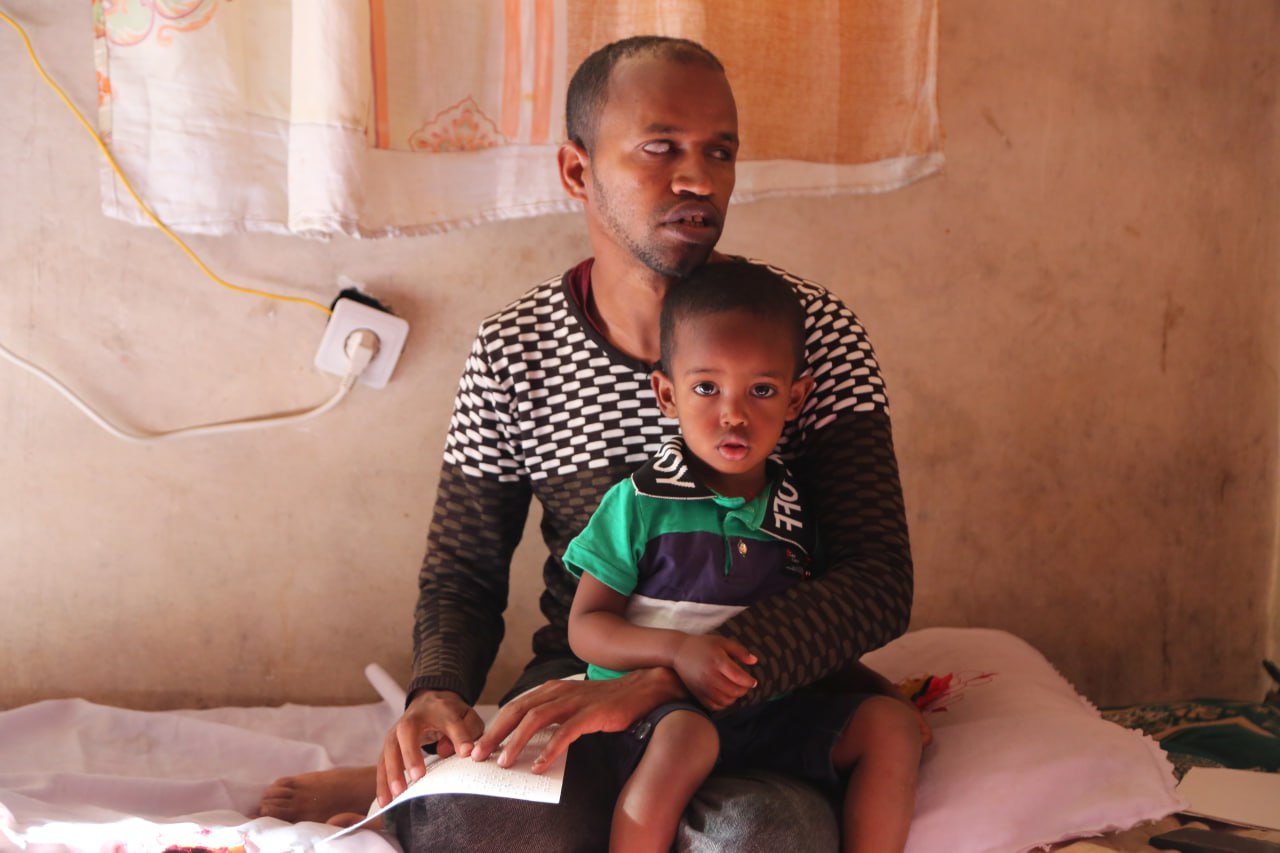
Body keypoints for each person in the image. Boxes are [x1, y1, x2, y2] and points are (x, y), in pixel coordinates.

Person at [259, 34, 914, 851]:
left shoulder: (808, 334)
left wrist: (666, 676)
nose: (699, 179)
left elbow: (878, 579)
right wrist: (435, 688)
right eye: (661, 148)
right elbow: (464, 570)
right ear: (577, 172)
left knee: (763, 833)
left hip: (767, 690)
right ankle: (430, 780)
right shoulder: (515, 349)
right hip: (587, 688)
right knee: (478, 824)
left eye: (720, 152)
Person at [563, 262, 922, 852]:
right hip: (653, 724)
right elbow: (586, 629)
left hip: (762, 715)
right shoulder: (639, 503)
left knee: (891, 728)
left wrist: (881, 691)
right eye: (707, 388)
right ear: (666, 394)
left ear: (795, 398)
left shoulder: (796, 513)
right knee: (688, 739)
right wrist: (678, 651)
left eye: (761, 390)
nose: (734, 413)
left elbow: (816, 629)